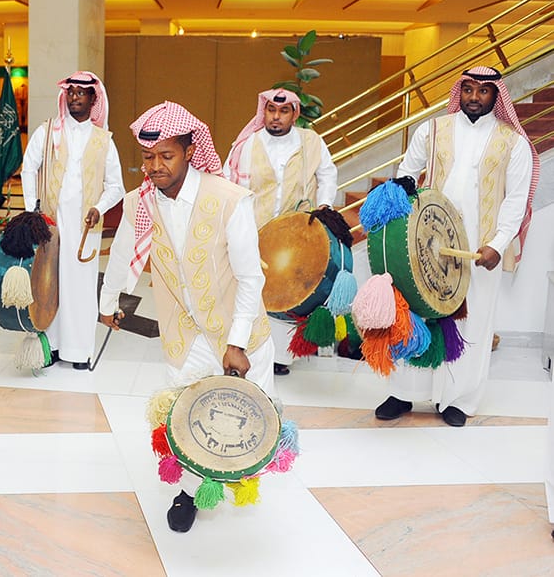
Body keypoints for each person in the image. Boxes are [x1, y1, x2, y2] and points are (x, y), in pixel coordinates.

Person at [99, 101, 275, 533]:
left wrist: (235, 342)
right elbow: (122, 253)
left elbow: (251, 278)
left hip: (240, 332)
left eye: (166, 156)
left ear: (190, 151)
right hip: (185, 333)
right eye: (147, 157)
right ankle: (191, 489)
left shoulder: (229, 200)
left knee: (245, 420)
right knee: (187, 416)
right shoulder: (142, 201)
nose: (155, 166)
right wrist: (107, 305)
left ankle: (231, 479)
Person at [374, 66, 537, 427]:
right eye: (468, 89)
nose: (474, 97)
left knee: (472, 321)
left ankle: (458, 400)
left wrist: (498, 243)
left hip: (478, 251)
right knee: (416, 312)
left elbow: (516, 199)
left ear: (496, 96)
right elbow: (407, 172)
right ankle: (403, 393)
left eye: (483, 91)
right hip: (427, 242)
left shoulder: (514, 142)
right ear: (458, 92)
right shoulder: (432, 130)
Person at [224, 88, 338, 376]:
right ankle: (245, 347)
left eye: (283, 111)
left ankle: (280, 356)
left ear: (294, 114)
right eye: (271, 111)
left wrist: (323, 205)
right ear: (263, 111)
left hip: (297, 231)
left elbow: (327, 173)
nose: (276, 117)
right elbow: (227, 180)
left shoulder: (310, 142)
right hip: (255, 230)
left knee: (287, 290)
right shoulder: (247, 145)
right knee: (253, 289)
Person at [20, 71, 124, 370]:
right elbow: (29, 169)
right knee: (49, 283)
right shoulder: (48, 131)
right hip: (50, 224)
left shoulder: (104, 140)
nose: (76, 96)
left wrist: (99, 207)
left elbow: (116, 186)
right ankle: (50, 347)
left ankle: (78, 351)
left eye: (83, 92)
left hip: (84, 228)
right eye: (72, 92)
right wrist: (33, 212)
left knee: (79, 287)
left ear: (94, 99)